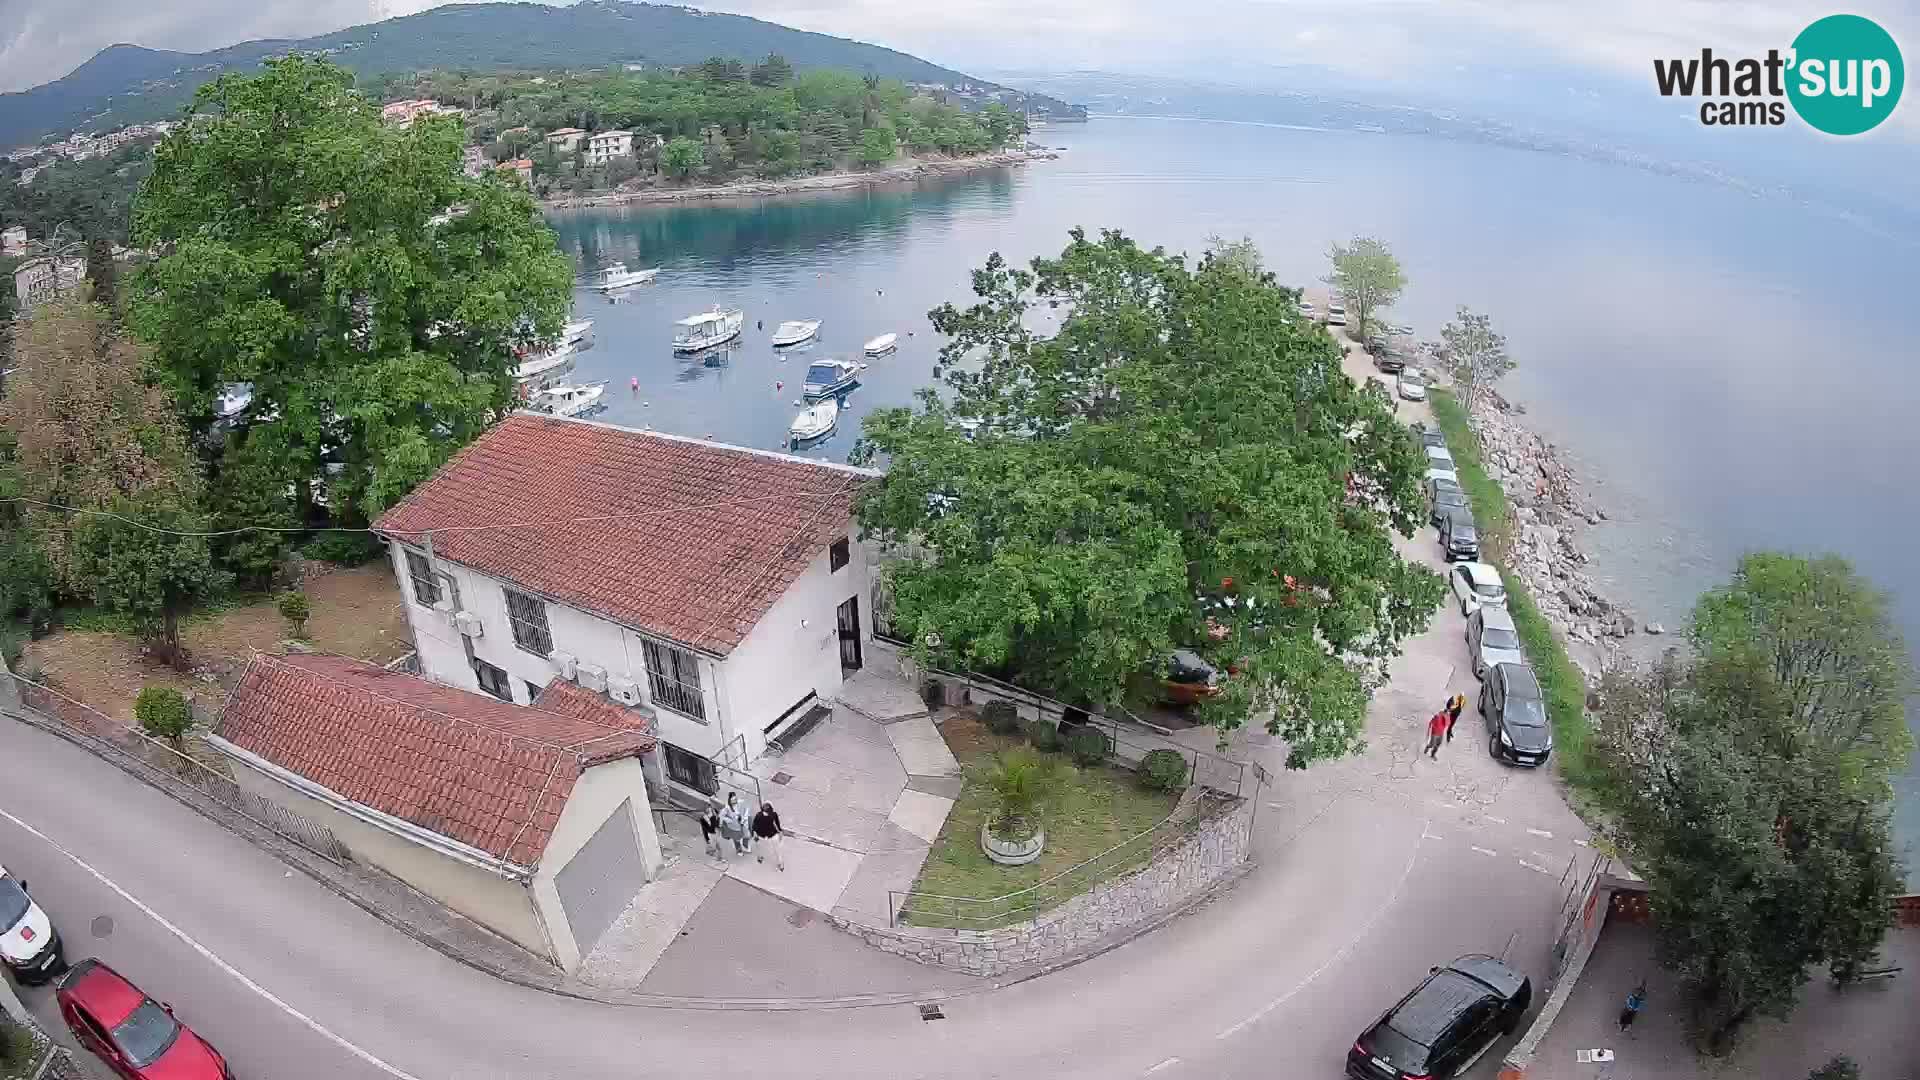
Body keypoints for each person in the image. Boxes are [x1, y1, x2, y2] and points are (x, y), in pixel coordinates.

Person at [751, 802, 785, 871]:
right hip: (765, 835)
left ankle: (780, 863)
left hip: (769, 835)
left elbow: (777, 824)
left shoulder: (771, 814)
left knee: (775, 849)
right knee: (764, 848)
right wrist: (755, 834)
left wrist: (780, 832)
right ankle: (761, 857)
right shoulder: (760, 815)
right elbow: (754, 826)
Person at [719, 792, 751, 856]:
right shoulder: (727, 807)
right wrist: (728, 820)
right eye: (733, 800)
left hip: (742, 823)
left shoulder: (741, 803)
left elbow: (747, 809)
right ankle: (739, 851)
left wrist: (745, 817)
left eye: (735, 799)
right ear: (730, 800)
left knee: (747, 835)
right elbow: (721, 815)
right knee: (736, 839)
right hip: (734, 826)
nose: (735, 801)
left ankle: (745, 846)